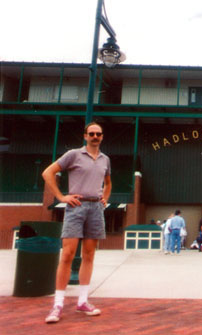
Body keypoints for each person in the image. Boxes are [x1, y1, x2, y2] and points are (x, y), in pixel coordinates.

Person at [42, 122, 111, 324]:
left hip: (96, 209)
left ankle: (82, 301)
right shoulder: (73, 155)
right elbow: (48, 173)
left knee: (89, 255)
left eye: (98, 133)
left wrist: (105, 198)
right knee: (68, 255)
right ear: (85, 136)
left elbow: (108, 182)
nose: (95, 136)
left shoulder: (105, 159)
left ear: (102, 136)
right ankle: (58, 305)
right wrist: (61, 197)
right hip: (76, 207)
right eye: (92, 133)